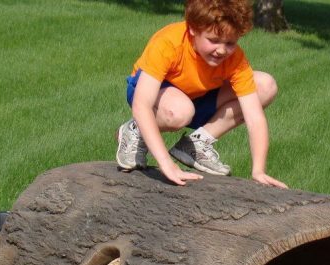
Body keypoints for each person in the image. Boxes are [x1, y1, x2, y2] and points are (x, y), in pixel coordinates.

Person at [116, 0, 287, 188]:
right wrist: (166, 163)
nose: (222, 50)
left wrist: (259, 170)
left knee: (265, 85)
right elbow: (142, 103)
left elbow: (254, 118)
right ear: (193, 30)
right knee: (180, 111)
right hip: (155, 93)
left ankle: (196, 144)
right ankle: (135, 130)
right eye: (213, 40)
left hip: (197, 95)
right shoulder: (170, 42)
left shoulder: (235, 59)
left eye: (230, 43)